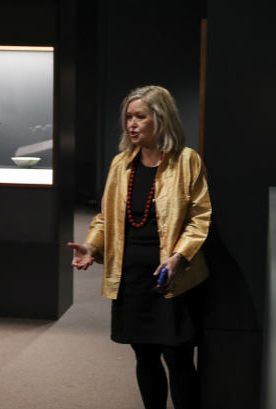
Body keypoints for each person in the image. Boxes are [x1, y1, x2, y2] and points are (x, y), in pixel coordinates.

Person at [68, 85, 212, 409]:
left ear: (160, 119)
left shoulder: (187, 161)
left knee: (178, 357)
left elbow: (199, 218)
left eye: (140, 117)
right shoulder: (121, 164)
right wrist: (92, 247)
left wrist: (178, 258)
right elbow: (106, 218)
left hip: (171, 278)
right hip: (130, 278)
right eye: (128, 117)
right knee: (144, 355)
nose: (131, 124)